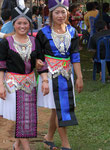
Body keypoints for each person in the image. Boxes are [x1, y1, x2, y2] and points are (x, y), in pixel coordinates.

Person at [0, 7, 49, 150]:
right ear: (13, 24)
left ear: (30, 24)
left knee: (26, 118)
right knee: (20, 117)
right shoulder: (6, 43)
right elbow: (0, 66)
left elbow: (42, 64)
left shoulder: (34, 41)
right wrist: (0, 85)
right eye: (19, 23)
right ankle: (26, 148)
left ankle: (16, 145)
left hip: (30, 84)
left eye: (25, 23)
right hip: (13, 85)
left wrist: (44, 80)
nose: (22, 26)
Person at [35, 0, 83, 150]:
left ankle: (48, 138)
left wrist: (79, 77)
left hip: (67, 75)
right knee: (60, 107)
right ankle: (65, 144)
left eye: (63, 12)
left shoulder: (73, 32)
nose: (60, 15)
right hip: (49, 76)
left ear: (67, 13)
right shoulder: (43, 33)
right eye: (57, 12)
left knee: (58, 108)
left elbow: (74, 56)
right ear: (51, 14)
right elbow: (37, 54)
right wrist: (37, 61)